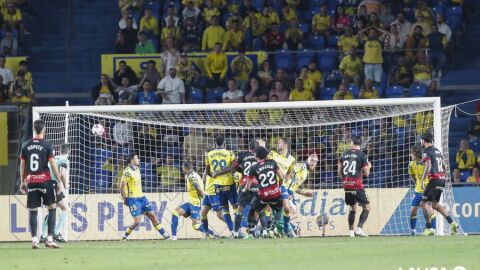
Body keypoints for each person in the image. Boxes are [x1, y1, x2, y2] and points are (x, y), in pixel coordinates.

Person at [19, 119, 63, 248]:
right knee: (52, 208)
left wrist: (22, 181)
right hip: (45, 181)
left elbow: (23, 165)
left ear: (33, 129)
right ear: (44, 130)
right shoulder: (47, 145)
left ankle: (34, 240)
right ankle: (49, 239)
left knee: (33, 210)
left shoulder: (25, 145)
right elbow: (53, 164)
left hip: (31, 181)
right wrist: (59, 180)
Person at [120, 153, 169, 240]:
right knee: (137, 221)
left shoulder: (137, 169)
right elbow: (121, 186)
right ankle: (125, 236)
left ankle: (165, 235)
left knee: (152, 216)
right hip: (133, 199)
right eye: (137, 158)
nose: (138, 160)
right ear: (132, 161)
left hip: (142, 198)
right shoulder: (127, 172)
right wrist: (125, 199)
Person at [419, 133, 458, 236]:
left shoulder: (426, 151)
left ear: (423, 140)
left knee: (423, 204)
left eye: (421, 140)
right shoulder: (437, 151)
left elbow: (428, 166)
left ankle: (429, 228)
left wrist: (422, 180)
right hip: (442, 179)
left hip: (434, 179)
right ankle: (452, 222)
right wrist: (443, 177)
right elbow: (444, 165)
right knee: (435, 204)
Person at [257, 137, 296, 237]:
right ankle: (265, 230)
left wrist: (285, 184)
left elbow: (289, 173)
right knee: (268, 209)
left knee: (287, 208)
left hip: (281, 186)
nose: (278, 144)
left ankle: (285, 229)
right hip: (271, 185)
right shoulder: (273, 154)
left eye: (280, 143)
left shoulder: (292, 159)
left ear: (285, 145)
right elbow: (263, 158)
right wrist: (262, 146)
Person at [171, 161, 216, 240]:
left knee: (196, 225)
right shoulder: (192, 175)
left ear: (184, 168)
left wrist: (205, 199)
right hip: (191, 202)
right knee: (176, 212)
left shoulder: (192, 177)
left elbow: (198, 188)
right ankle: (174, 237)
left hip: (195, 203)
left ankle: (213, 234)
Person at [247, 146, 285, 238]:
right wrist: (278, 186)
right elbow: (281, 177)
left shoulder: (253, 167)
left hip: (263, 195)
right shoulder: (273, 163)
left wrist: (248, 189)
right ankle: (271, 228)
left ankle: (257, 230)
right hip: (275, 194)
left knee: (257, 208)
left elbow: (248, 186)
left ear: (256, 156)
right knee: (279, 209)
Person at [338, 136, 372, 237]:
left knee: (353, 208)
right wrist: (369, 166)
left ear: (352, 143)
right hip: (356, 185)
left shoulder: (344, 154)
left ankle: (351, 232)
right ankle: (359, 229)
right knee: (367, 208)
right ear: (360, 144)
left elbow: (339, 170)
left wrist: (344, 180)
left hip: (347, 184)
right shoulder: (362, 155)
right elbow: (366, 174)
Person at [203, 135, 237, 237]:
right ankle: (236, 230)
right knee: (235, 207)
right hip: (230, 183)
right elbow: (234, 166)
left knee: (224, 209)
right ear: (224, 143)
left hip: (217, 186)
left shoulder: (209, 154)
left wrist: (215, 175)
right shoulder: (230, 153)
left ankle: (233, 231)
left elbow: (208, 171)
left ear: (215, 144)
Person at [40, 144, 70, 243]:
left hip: (45, 185)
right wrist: (65, 184)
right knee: (65, 208)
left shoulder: (53, 158)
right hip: (54, 186)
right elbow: (62, 174)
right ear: (69, 151)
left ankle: (43, 235)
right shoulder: (64, 159)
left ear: (59, 150)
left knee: (51, 210)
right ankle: (56, 233)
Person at [283, 154, 318, 236]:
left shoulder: (306, 172)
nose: (313, 163)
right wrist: (285, 189)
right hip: (286, 190)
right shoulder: (302, 166)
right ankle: (286, 228)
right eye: (312, 160)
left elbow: (295, 187)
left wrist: (304, 193)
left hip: (290, 191)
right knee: (291, 211)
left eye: (315, 161)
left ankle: (287, 228)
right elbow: (289, 171)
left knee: (292, 212)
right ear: (307, 160)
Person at [232, 140, 258, 238]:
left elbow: (234, 167)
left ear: (249, 147)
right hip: (256, 185)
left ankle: (235, 233)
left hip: (244, 184)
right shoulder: (259, 157)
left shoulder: (242, 155)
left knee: (240, 210)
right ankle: (253, 230)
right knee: (257, 209)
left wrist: (239, 169)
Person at [408, 145, 436, 236]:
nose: (410, 155)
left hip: (427, 189)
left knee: (428, 209)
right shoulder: (411, 164)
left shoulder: (426, 163)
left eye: (411, 153)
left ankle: (432, 229)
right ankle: (413, 231)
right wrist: (416, 183)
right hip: (418, 190)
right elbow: (412, 175)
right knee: (412, 211)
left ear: (416, 154)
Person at [200, 145, 225, 239]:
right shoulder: (208, 165)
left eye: (207, 155)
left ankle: (235, 228)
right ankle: (206, 235)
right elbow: (204, 178)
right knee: (203, 213)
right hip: (207, 193)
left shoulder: (215, 165)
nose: (205, 157)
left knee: (220, 215)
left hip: (214, 193)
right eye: (205, 155)